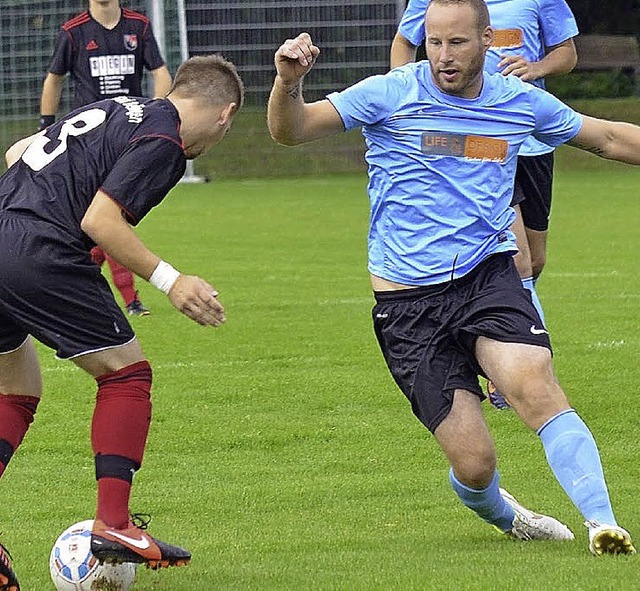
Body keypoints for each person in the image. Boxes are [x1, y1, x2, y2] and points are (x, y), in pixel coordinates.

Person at [267, 0, 640, 556]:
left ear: (487, 40)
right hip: (408, 303)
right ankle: (505, 514)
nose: (443, 55)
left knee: (536, 387)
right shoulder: (390, 92)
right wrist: (288, 82)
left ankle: (603, 523)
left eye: (458, 43)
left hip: (486, 276)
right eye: (433, 42)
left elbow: (608, 137)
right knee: (474, 462)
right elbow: (290, 131)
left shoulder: (517, 101)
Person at [0, 53, 243, 590]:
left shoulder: (116, 108)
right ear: (225, 115)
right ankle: (114, 525)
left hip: (3, 230)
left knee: (17, 389)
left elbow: (19, 151)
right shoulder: (165, 142)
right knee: (126, 376)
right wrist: (172, 281)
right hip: (38, 250)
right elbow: (101, 221)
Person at [391, 0, 578, 410]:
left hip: (529, 137)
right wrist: (408, 103)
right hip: (473, 142)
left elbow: (567, 54)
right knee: (519, 257)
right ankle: (513, 369)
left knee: (535, 258)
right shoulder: (435, 3)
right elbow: (404, 44)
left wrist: (536, 69)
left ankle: (512, 342)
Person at [38, 0, 174, 317]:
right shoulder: (73, 31)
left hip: (129, 138)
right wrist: (46, 127)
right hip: (90, 143)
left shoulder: (138, 26)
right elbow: (53, 78)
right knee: (110, 218)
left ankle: (71, 282)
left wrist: (156, 112)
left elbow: (162, 73)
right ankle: (129, 298)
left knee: (105, 222)